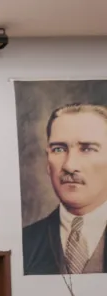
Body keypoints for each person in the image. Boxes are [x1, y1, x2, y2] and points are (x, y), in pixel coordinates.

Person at [23, 103, 107, 275]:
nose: (69, 165)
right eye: (59, 149)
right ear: (48, 163)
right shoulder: (25, 242)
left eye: (87, 149)